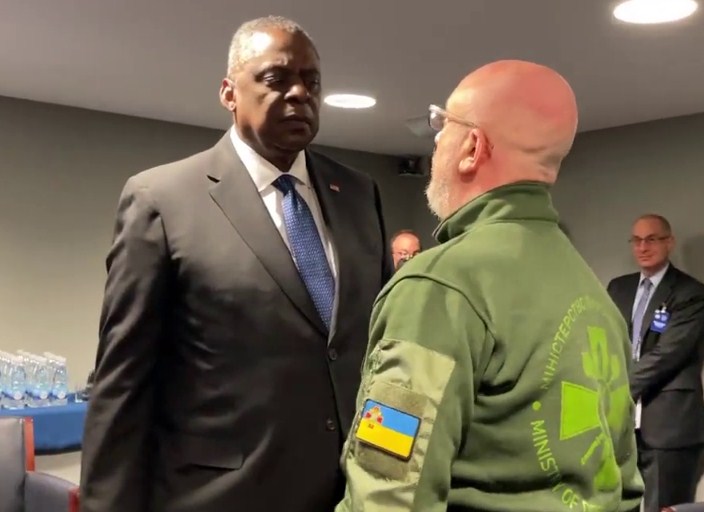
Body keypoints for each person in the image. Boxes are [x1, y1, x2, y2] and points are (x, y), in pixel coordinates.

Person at [80, 16, 392, 512]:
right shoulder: (162, 199)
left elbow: (382, 352)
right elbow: (123, 382)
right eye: (276, 78)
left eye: (311, 82)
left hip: (350, 494)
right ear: (229, 93)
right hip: (221, 495)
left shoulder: (357, 193)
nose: (299, 93)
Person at [335, 60, 643, 511]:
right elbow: (626, 484)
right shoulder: (592, 293)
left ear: (472, 147)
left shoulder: (439, 287)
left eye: (442, 124)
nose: (436, 141)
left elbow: (388, 493)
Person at [607, 214, 704, 512]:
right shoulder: (618, 288)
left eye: (651, 239)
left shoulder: (691, 293)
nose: (643, 247)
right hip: (622, 426)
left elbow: (667, 354)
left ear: (669, 242)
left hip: (669, 426)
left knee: (664, 506)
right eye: (636, 240)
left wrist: (618, 389)